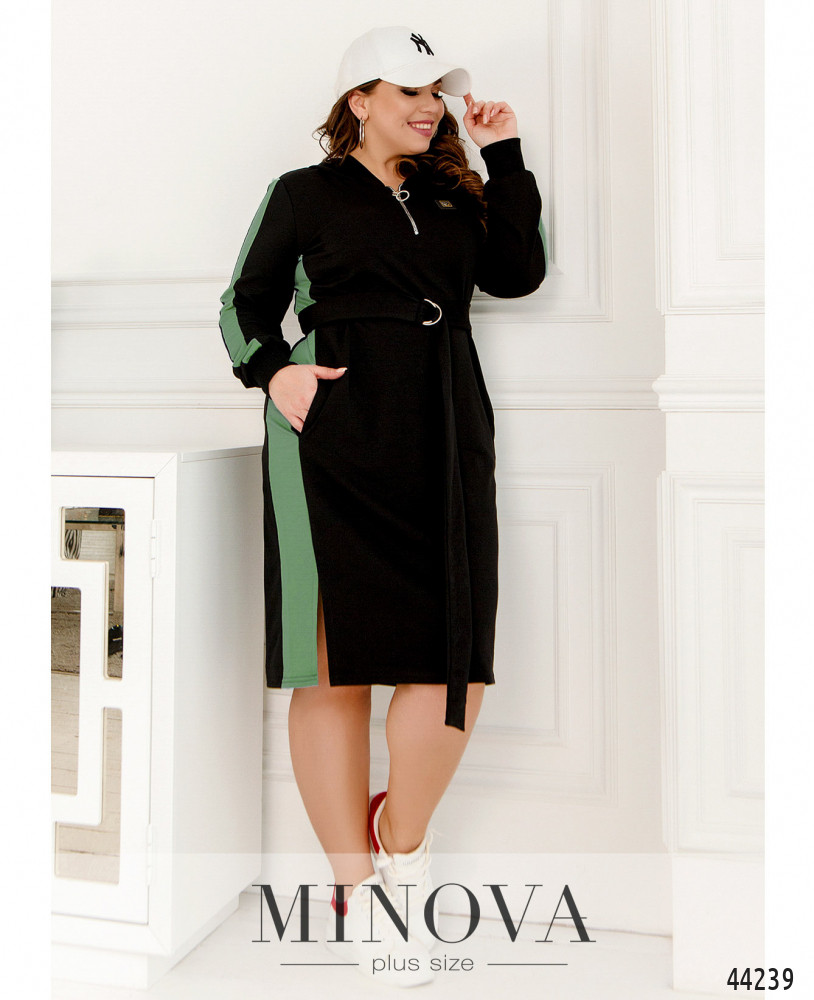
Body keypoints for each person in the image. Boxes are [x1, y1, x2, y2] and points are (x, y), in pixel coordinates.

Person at [219, 25, 546, 986]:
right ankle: (357, 892)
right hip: (330, 435)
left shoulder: (454, 193)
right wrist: (274, 372)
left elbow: (518, 272)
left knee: (453, 662)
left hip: (445, 428)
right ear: (358, 100)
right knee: (331, 671)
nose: (430, 107)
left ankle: (402, 841)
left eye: (438, 93)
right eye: (410, 91)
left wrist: (505, 154)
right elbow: (243, 302)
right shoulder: (303, 192)